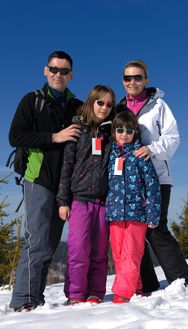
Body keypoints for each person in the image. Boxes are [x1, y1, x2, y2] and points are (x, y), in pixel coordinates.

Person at [9, 51, 83, 312]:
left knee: (49, 245)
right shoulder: (33, 101)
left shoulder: (77, 106)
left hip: (66, 185)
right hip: (38, 179)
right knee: (37, 242)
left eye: (64, 71)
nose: (58, 74)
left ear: (71, 75)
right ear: (45, 70)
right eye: (54, 69)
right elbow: (16, 136)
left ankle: (35, 299)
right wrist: (55, 137)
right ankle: (23, 301)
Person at [116, 60, 188, 293]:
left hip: (157, 176)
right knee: (135, 229)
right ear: (123, 81)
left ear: (146, 80)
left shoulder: (158, 106)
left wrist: (153, 149)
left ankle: (182, 280)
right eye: (128, 78)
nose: (133, 82)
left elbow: (172, 137)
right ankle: (146, 284)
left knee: (155, 227)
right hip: (129, 181)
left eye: (137, 77)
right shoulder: (120, 109)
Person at [57, 85, 115, 305]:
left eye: (109, 104)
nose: (104, 107)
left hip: (103, 202)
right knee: (79, 250)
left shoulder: (112, 132)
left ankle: (95, 293)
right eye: (100, 102)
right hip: (80, 200)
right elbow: (66, 166)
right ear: (91, 102)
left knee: (100, 253)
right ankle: (75, 294)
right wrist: (63, 201)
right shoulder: (77, 129)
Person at [106, 111, 161, 303]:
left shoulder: (140, 155)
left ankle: (123, 293)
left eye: (129, 131)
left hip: (137, 214)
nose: (124, 134)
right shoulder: (110, 155)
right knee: (119, 254)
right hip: (114, 214)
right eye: (120, 130)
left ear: (135, 133)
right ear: (113, 131)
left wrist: (153, 215)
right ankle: (136, 287)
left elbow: (152, 186)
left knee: (132, 253)